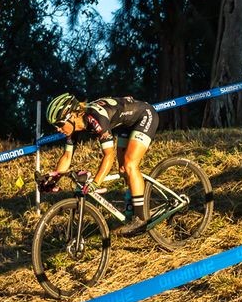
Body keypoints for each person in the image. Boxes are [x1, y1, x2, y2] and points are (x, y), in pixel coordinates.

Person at [39, 93, 159, 235]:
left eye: (59, 124)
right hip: (125, 125)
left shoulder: (95, 118)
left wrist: (95, 183)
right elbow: (66, 156)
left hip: (144, 115)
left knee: (129, 164)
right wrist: (54, 179)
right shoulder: (73, 128)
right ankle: (133, 207)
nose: (57, 129)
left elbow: (109, 156)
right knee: (123, 170)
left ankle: (140, 218)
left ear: (72, 116)